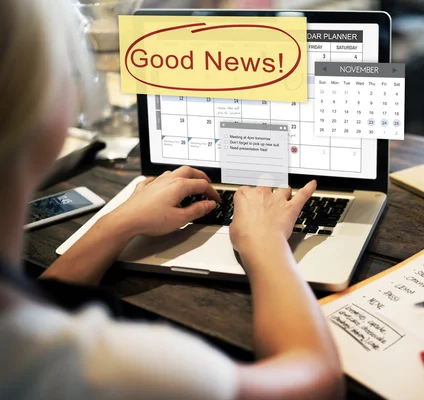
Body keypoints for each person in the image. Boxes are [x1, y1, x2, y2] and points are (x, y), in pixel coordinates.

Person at [0, 1, 343, 399]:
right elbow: (317, 382)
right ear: (43, 109)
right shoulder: (107, 368)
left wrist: (116, 223)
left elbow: (45, 304)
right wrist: (266, 245)